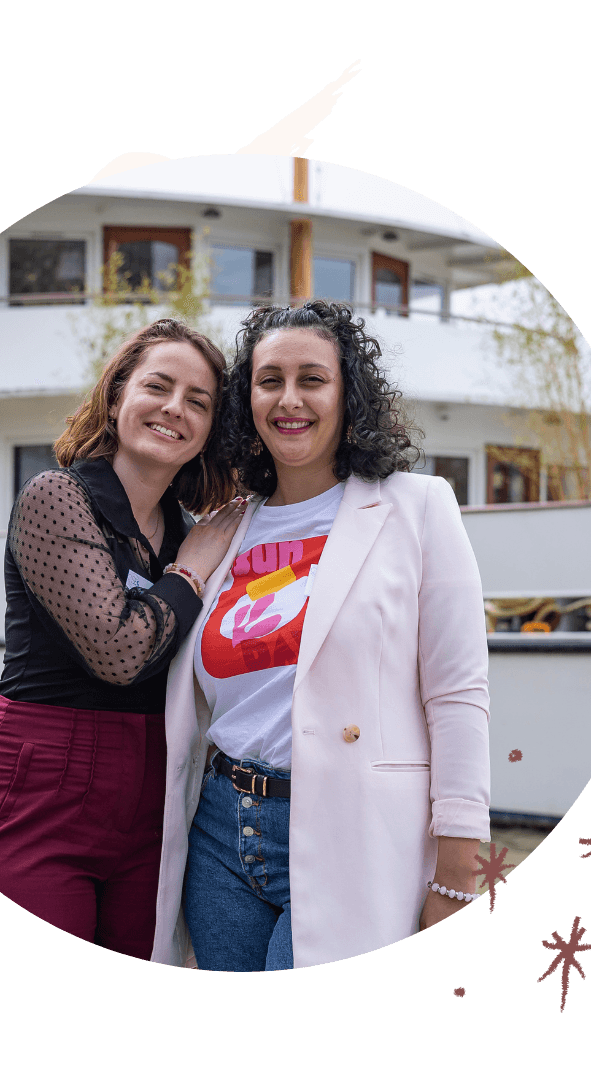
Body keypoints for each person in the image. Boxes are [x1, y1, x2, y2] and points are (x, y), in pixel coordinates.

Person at [151, 301, 491, 971]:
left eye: (312, 379)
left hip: (354, 830)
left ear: (347, 394)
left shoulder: (417, 507)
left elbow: (457, 694)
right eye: (269, 380)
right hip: (220, 833)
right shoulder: (224, 528)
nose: (290, 399)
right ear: (247, 400)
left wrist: (458, 869)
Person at [0, 319, 246, 960]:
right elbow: (119, 651)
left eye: (198, 402)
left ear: (209, 432)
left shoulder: (187, 533)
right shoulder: (57, 497)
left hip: (153, 795)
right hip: (40, 782)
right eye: (158, 387)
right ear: (116, 399)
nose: (175, 408)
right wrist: (189, 575)